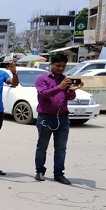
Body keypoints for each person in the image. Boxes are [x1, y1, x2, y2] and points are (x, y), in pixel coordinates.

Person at [34, 53, 80, 185]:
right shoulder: (42, 79)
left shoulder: (66, 80)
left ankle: (59, 174)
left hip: (63, 118)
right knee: (42, 147)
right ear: (51, 65)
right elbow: (43, 94)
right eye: (58, 65)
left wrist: (72, 90)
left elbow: (69, 97)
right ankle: (40, 171)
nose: (60, 68)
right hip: (46, 117)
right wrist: (60, 87)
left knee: (61, 148)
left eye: (63, 66)